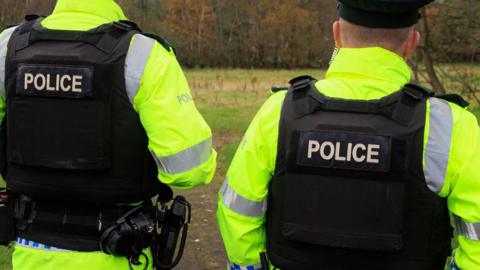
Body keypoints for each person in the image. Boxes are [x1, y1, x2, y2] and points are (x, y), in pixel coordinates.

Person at [217, 0, 480, 269]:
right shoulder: (449, 124)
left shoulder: (280, 111)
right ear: (412, 43)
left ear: (337, 35)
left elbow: (237, 210)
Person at [0, 0, 216, 269]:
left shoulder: (8, 47)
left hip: (32, 250)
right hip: (119, 251)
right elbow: (189, 169)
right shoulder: (143, 55)